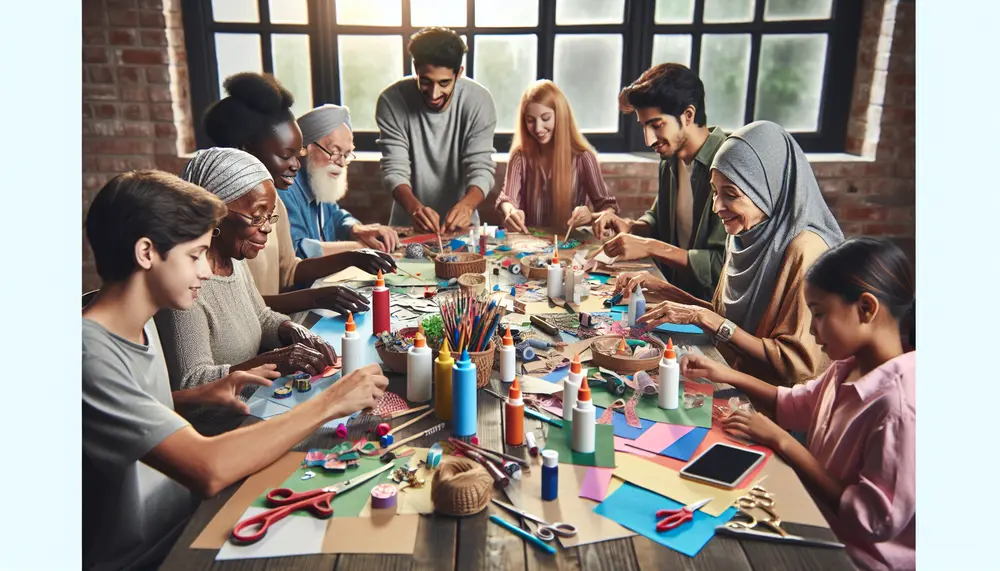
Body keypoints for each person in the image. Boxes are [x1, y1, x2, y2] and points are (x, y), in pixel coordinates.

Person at [82, 169, 388, 570]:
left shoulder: (137, 323)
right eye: (194, 256)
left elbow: (128, 414)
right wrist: (332, 401)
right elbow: (209, 468)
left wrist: (191, 396)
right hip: (153, 555)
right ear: (146, 253)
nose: (206, 271)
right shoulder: (89, 355)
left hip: (184, 519)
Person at [680, 238, 915, 571]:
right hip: (817, 519)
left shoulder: (899, 408)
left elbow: (875, 519)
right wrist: (726, 374)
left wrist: (782, 440)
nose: (813, 330)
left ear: (866, 308)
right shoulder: (848, 366)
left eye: (819, 315)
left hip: (856, 558)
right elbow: (795, 403)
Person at [617, 121, 845, 385]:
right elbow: (724, 322)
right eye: (715, 192)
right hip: (730, 373)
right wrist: (663, 290)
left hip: (772, 404)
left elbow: (796, 367)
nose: (717, 207)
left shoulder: (806, 251)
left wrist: (701, 316)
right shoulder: (744, 235)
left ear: (768, 189)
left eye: (731, 194)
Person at [203, 72, 396, 315]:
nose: (296, 164)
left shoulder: (275, 206)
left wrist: (355, 256)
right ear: (246, 150)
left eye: (298, 154)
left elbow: (289, 269)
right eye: (286, 156)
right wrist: (314, 298)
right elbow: (235, 310)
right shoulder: (222, 220)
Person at [156, 148, 343, 394]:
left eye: (269, 216)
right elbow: (192, 383)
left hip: (256, 400)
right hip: (219, 425)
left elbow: (260, 316)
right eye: (256, 217)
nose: (266, 228)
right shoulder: (186, 285)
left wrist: (290, 330)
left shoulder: (234, 259)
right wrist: (272, 362)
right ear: (214, 213)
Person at [592, 63, 727, 302]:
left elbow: (722, 266)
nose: (648, 140)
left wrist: (650, 247)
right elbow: (658, 218)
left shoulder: (728, 164)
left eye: (656, 125)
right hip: (670, 294)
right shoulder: (670, 162)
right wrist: (631, 227)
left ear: (688, 115)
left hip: (709, 308)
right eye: (644, 127)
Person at [376, 26, 497, 233]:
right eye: (426, 81)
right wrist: (415, 209)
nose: (434, 94)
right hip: (408, 227)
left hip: (462, 229)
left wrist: (467, 205)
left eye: (444, 83)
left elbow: (481, 167)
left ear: (458, 73)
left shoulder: (479, 101)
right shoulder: (391, 100)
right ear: (416, 68)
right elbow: (394, 169)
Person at [496, 79, 619, 232]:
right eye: (530, 120)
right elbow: (507, 199)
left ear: (560, 116)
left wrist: (592, 216)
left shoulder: (583, 158)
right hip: (529, 247)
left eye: (545, 118)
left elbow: (608, 207)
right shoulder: (519, 157)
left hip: (571, 246)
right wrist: (510, 211)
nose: (538, 128)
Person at [283, 103, 400, 259]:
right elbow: (295, 252)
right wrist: (360, 248)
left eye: (346, 154)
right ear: (304, 148)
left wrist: (356, 229)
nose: (342, 163)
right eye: (335, 151)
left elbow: (336, 216)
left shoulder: (318, 181)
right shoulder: (284, 188)